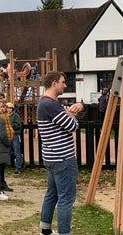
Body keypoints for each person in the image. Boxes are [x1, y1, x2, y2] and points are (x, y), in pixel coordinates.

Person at [37, 71, 84, 235]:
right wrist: (72, 115)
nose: (65, 85)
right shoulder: (51, 105)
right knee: (66, 198)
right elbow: (72, 126)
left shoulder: (44, 103)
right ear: (54, 83)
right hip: (63, 158)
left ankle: (45, 229)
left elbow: (62, 120)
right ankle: (64, 233)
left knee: (52, 194)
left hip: (51, 157)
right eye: (63, 82)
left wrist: (70, 112)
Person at [7, 102, 24, 175]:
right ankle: (18, 159)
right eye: (7, 108)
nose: (8, 109)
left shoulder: (15, 116)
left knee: (17, 151)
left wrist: (10, 125)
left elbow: (18, 125)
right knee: (9, 151)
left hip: (15, 135)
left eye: (10, 108)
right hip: (8, 135)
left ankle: (18, 168)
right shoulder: (5, 116)